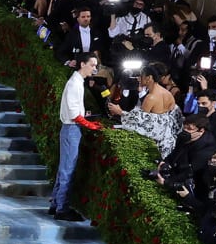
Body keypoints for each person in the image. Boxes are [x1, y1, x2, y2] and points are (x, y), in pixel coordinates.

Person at [52, 56, 102, 221]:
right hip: (71, 129)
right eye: (92, 65)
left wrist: (85, 118)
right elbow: (74, 114)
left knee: (64, 168)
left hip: (70, 128)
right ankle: (61, 208)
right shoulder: (75, 84)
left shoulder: (77, 82)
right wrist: (90, 125)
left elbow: (75, 111)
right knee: (67, 168)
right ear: (82, 64)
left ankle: (56, 204)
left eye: (95, 65)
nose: (94, 69)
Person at [106, 61, 179, 158]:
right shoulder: (167, 93)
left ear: (149, 78)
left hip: (154, 143)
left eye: (141, 76)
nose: (138, 79)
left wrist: (120, 112)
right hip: (168, 139)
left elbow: (140, 121)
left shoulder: (150, 98)